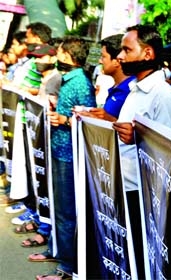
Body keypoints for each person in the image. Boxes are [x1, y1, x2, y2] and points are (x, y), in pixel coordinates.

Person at [113, 24, 171, 278]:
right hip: (125, 186)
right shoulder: (135, 89)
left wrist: (138, 138)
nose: (121, 56)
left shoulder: (162, 94)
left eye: (126, 49)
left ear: (148, 53)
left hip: (143, 196)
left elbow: (168, 151)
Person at [29, 36, 96, 280]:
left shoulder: (80, 83)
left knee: (67, 213)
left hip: (69, 155)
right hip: (60, 151)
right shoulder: (69, 80)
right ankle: (60, 255)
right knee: (61, 211)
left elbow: (90, 119)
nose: (56, 56)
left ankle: (68, 268)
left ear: (67, 55)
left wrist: (65, 120)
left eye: (58, 52)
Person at [14, 42, 61, 249]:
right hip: (38, 137)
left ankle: (46, 230)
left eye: (42, 58)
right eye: (36, 58)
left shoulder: (55, 79)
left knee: (46, 186)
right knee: (38, 183)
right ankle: (40, 221)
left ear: (53, 58)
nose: (38, 62)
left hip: (51, 142)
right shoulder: (44, 79)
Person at [77, 34, 135, 121]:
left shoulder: (131, 90)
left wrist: (109, 120)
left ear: (117, 61)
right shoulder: (116, 88)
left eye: (103, 57)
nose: (100, 61)